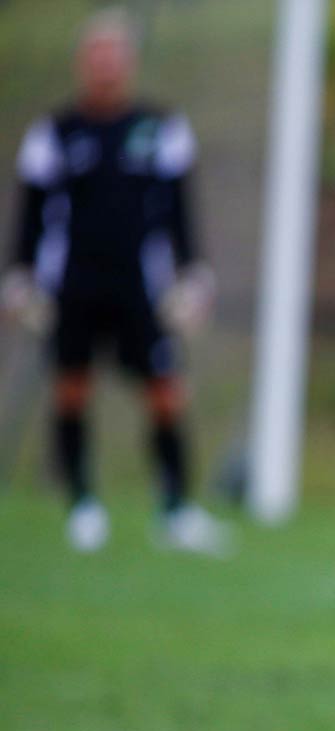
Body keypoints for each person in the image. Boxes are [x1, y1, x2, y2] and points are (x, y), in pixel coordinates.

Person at [1, 8, 227, 555]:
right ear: (83, 62)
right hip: (75, 283)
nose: (106, 65)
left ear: (130, 63)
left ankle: (175, 509)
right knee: (72, 389)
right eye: (97, 55)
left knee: (166, 393)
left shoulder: (159, 129)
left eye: (115, 55)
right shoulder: (55, 132)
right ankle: (82, 505)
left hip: (140, 285)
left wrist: (192, 271)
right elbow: (32, 215)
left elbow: (179, 211)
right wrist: (20, 275)